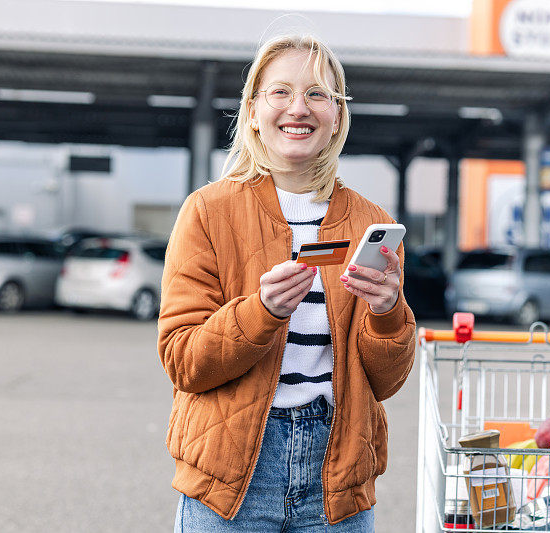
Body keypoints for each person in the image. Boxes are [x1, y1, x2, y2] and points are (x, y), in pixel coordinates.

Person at [157, 34, 416, 532]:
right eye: (281, 92)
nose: (299, 108)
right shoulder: (208, 213)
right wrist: (262, 312)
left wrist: (388, 313)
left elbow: (386, 381)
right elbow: (183, 360)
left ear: (338, 115)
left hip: (336, 478)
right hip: (231, 475)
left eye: (317, 94)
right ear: (253, 110)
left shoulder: (372, 223)